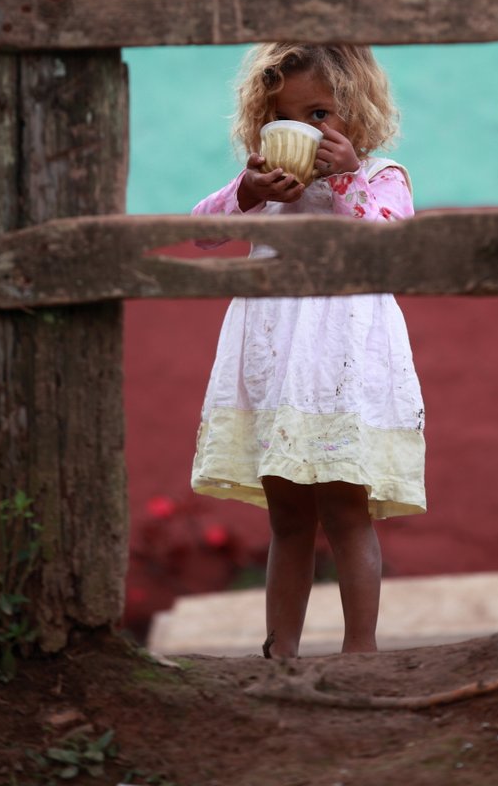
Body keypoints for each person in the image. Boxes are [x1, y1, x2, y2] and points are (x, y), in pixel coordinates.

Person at [190, 43, 426, 657]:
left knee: (347, 510)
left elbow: (390, 242)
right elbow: (202, 229)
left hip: (341, 365)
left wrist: (345, 175)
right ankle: (280, 653)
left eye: (321, 114)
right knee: (288, 516)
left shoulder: (381, 178)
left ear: (359, 112)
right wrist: (247, 190)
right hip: (274, 362)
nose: (308, 131)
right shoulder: (264, 189)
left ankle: (361, 652)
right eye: (288, 119)